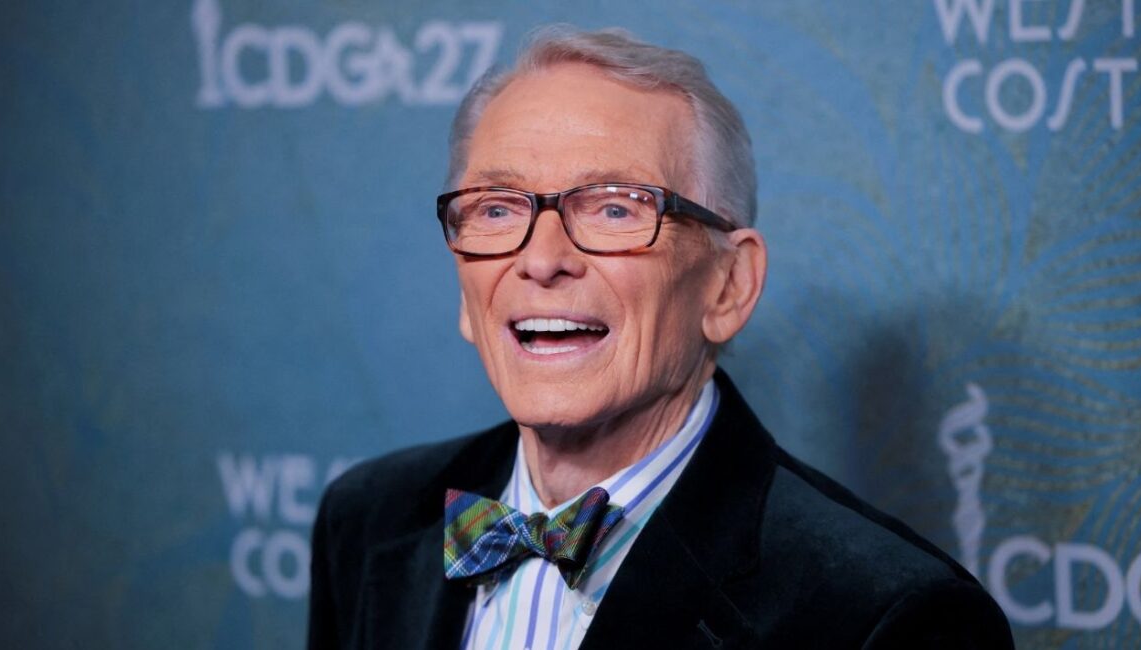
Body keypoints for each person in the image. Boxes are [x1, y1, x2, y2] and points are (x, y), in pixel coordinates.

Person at [307, 26, 1014, 649]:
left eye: (616, 207)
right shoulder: (369, 523)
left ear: (728, 285)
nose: (542, 258)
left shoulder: (885, 616)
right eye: (497, 208)